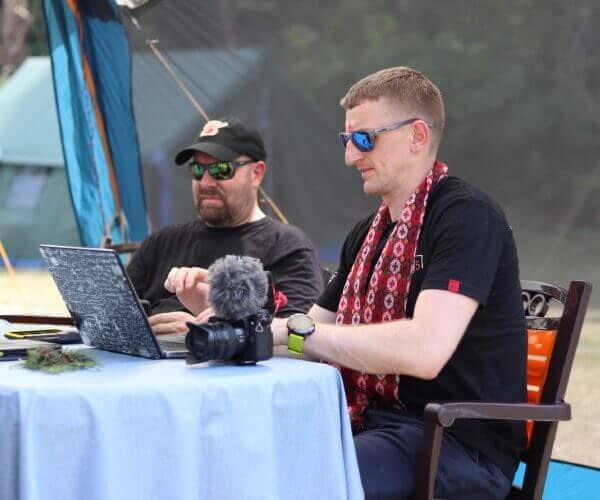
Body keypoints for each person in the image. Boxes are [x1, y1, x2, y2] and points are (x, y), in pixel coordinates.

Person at [270, 67, 527, 499]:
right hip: (377, 425)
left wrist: (301, 334)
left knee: (297, 482)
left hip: (455, 444)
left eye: (364, 139)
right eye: (346, 140)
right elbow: (304, 340)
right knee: (246, 455)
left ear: (417, 136)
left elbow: (426, 351)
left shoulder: (466, 216)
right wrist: (230, 333)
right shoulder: (367, 233)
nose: (351, 156)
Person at [127, 117, 324, 334]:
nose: (206, 182)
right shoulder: (161, 242)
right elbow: (116, 316)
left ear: (256, 173)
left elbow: (301, 343)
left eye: (221, 169)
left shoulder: (286, 246)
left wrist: (209, 331)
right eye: (197, 170)